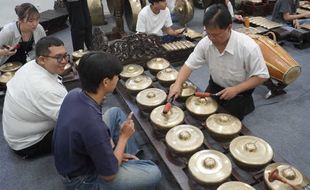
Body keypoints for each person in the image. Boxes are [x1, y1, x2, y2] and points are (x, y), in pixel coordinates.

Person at [53, 52, 161, 190]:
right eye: (116, 76)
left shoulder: (74, 94)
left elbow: (94, 127)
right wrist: (123, 138)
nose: (118, 78)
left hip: (73, 160)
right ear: (105, 82)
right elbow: (108, 176)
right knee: (153, 172)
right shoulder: (93, 126)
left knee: (114, 113)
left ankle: (124, 160)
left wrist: (113, 150)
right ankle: (122, 163)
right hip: (82, 180)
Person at [168, 4, 270, 120]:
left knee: (225, 122)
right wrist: (177, 84)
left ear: (229, 27)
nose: (211, 38)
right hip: (215, 85)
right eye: (208, 33)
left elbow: (262, 76)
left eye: (216, 34)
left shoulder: (248, 47)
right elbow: (188, 65)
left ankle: (246, 104)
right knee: (200, 113)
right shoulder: (206, 42)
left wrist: (236, 89)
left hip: (239, 90)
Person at [2, 36, 68, 159]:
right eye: (59, 57)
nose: (65, 61)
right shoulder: (44, 89)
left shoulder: (31, 65)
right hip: (28, 144)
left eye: (65, 55)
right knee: (83, 131)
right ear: (42, 59)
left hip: (15, 135)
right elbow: (71, 119)